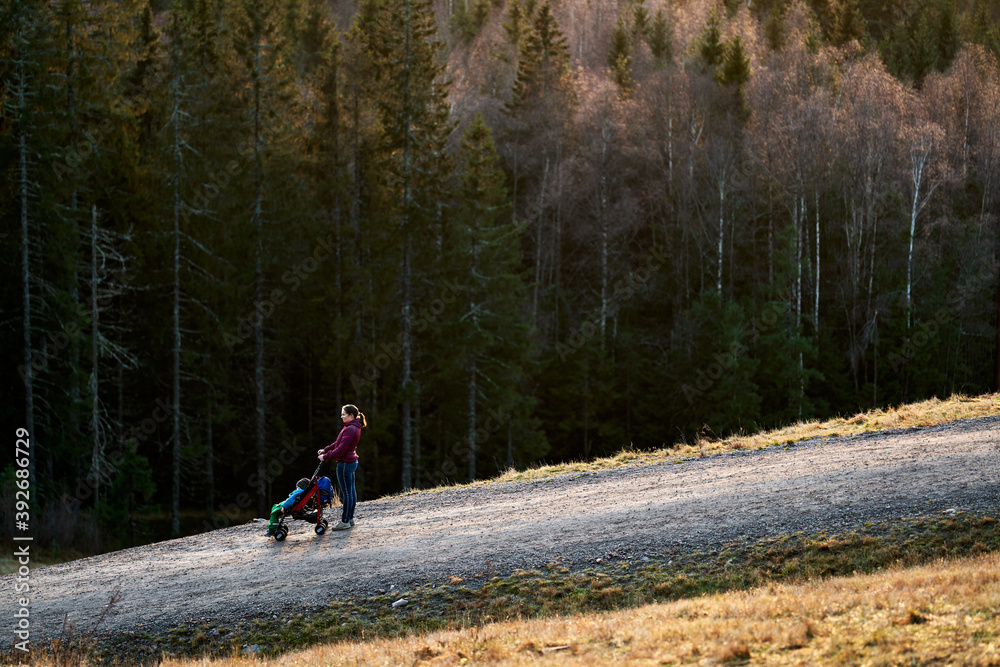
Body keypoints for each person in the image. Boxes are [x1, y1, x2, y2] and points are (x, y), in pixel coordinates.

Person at [318, 404, 366, 530]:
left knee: (347, 493)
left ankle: (345, 521)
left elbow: (341, 450)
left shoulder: (350, 429)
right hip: (350, 462)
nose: (341, 416)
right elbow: (338, 443)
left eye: (343, 414)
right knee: (350, 491)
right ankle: (349, 519)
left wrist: (325, 456)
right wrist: (326, 449)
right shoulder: (351, 427)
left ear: (351, 416)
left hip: (345, 463)